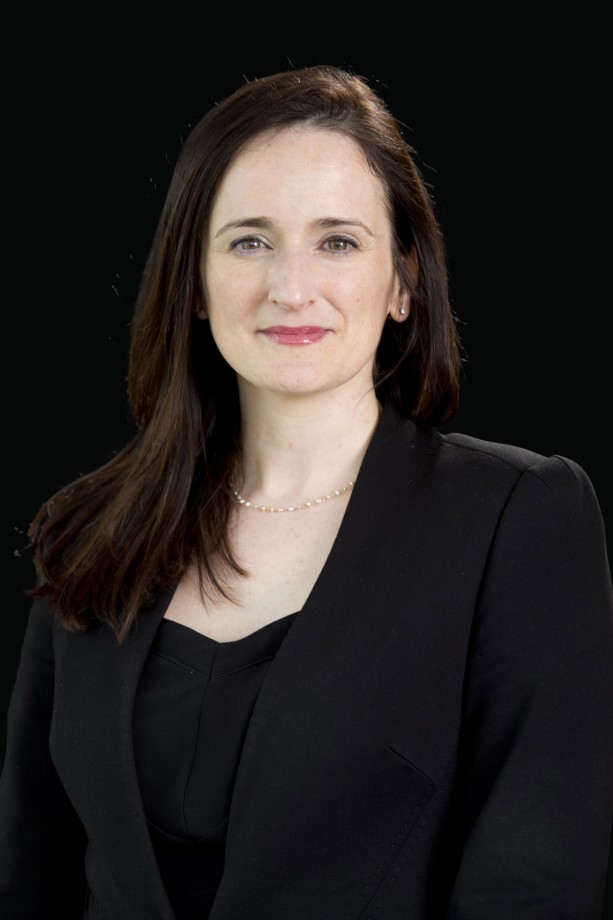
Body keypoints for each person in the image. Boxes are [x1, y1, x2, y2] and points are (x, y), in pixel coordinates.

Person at [1, 63, 612, 920]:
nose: (291, 288)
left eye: (338, 242)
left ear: (401, 282)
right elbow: (31, 873)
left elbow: (533, 880)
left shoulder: (516, 518)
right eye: (249, 241)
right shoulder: (88, 530)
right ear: (195, 283)